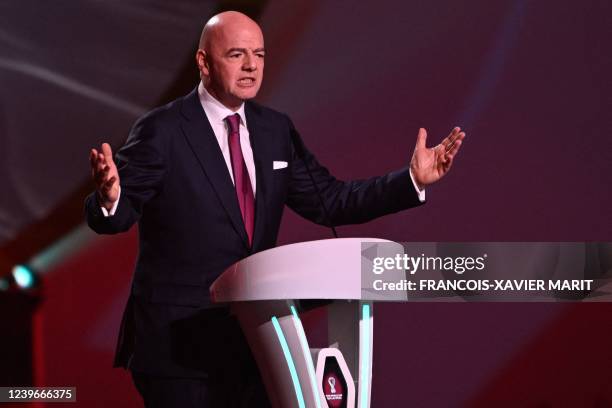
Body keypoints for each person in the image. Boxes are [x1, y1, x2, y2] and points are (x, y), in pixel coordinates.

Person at [85, 10, 465, 408]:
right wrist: (110, 199)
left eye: (259, 54)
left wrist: (411, 181)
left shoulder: (274, 130)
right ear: (203, 62)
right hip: (179, 349)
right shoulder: (162, 130)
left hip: (257, 342)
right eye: (236, 54)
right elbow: (119, 212)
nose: (251, 65)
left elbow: (330, 201)